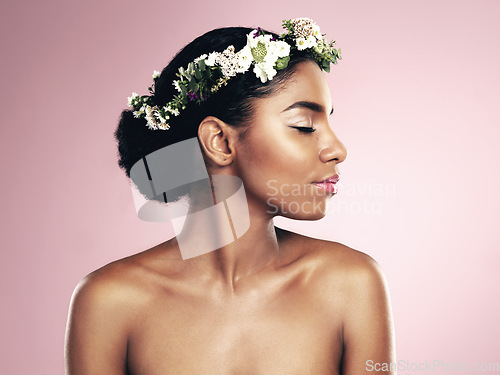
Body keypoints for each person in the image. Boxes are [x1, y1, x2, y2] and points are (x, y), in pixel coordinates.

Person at [64, 18, 395, 374]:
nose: (337, 149)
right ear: (219, 142)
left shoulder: (351, 285)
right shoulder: (109, 302)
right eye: (304, 126)